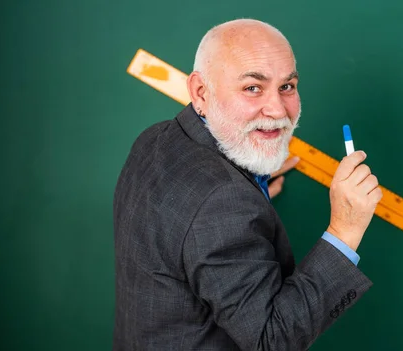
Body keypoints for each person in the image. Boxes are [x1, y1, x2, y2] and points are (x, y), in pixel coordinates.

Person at [112, 18, 383, 350]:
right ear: (200, 92)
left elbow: (187, 226)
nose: (277, 109)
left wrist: (252, 181)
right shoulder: (223, 203)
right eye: (253, 87)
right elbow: (272, 339)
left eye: (287, 86)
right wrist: (347, 227)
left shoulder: (155, 139)